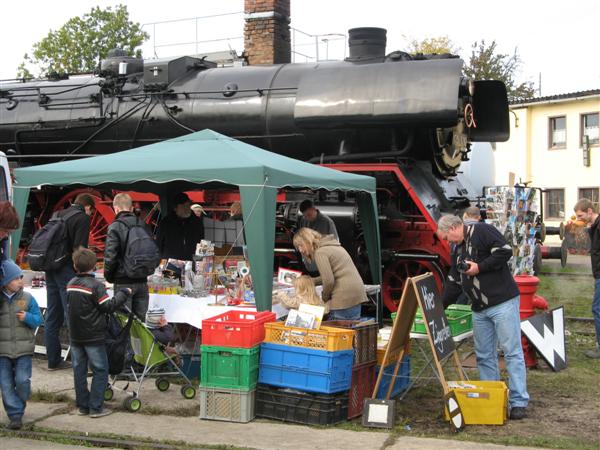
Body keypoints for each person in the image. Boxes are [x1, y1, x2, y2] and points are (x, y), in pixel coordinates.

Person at [436, 214, 529, 420]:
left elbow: (505, 252)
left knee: (511, 351)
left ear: (453, 228)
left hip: (502, 302)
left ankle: (519, 401)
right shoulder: (457, 249)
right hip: (479, 308)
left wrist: (479, 267)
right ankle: (492, 395)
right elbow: (454, 281)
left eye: (446, 237)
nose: (447, 242)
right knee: (484, 354)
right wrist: (439, 307)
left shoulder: (481, 231)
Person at [67, 247, 131, 418]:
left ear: (75, 265)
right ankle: (96, 407)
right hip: (94, 335)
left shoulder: (70, 284)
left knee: (79, 370)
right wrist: (123, 294)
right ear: (95, 266)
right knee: (101, 370)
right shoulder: (96, 286)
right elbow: (107, 307)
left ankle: (83, 406)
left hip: (75, 335)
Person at [45, 193, 95, 371]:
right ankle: (79, 363)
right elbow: (79, 249)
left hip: (49, 268)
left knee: (52, 314)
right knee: (72, 314)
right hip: (66, 269)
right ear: (88, 207)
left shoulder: (57, 214)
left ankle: (53, 360)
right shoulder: (81, 218)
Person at [0, 259, 43, 430]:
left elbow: (39, 319)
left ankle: (21, 400)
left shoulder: (27, 298)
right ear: (4, 281)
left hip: (23, 351)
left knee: (22, 381)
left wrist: (28, 318)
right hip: (3, 351)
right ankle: (15, 416)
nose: (21, 281)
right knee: (6, 384)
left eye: (21, 277)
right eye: (16, 278)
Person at [293, 228, 366, 320]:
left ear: (307, 240)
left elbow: (329, 281)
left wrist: (324, 298)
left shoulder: (320, 252)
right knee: (351, 331)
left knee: (338, 331)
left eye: (300, 245)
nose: (300, 250)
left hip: (342, 299)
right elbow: (334, 274)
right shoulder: (333, 246)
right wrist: (310, 281)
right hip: (355, 295)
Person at [103, 193, 152, 320]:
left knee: (123, 323)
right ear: (131, 208)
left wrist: (108, 276)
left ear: (116, 209)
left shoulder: (114, 227)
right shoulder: (143, 224)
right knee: (141, 326)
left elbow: (110, 256)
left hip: (123, 281)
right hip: (142, 280)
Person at [573, 198, 600, 359]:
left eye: (580, 215)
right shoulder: (594, 227)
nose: (578, 219)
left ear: (590, 211)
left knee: (597, 309)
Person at [155, 193, 204, 261]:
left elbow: (201, 242)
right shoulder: (166, 222)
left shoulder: (196, 222)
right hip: (171, 263)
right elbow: (159, 243)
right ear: (175, 208)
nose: (186, 208)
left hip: (191, 262)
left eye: (187, 205)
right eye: (183, 206)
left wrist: (198, 261)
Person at [0, 202, 20, 282]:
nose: (5, 235)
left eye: (9, 233)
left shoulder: (3, 241)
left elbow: (3, 261)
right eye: (5, 230)